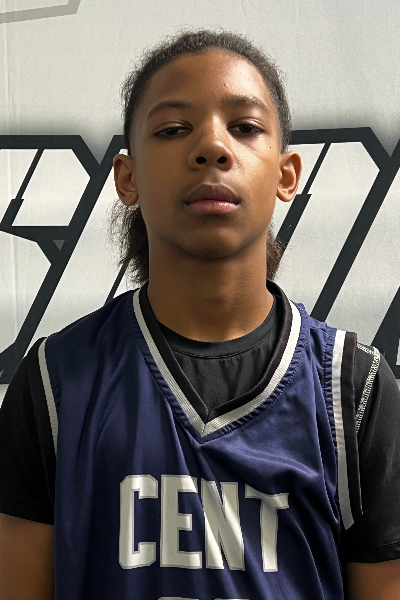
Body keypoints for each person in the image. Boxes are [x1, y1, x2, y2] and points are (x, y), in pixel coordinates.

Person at [1, 28, 400, 600]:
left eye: (245, 127)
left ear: (287, 174)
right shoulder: (54, 381)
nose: (211, 147)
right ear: (127, 177)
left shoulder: (354, 388)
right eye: (172, 129)